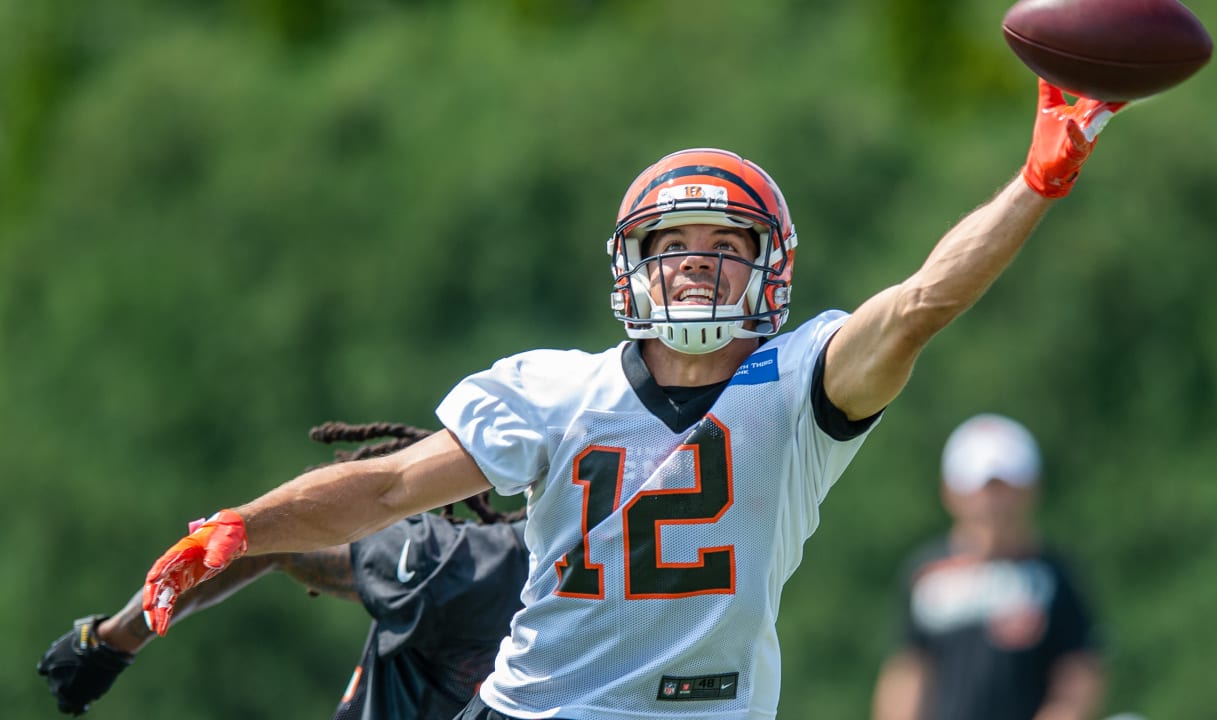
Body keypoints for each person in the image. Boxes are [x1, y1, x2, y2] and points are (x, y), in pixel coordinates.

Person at [137, 80, 1127, 720]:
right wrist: (241, 525)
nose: (696, 263)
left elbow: (919, 303)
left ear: (766, 270)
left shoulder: (795, 386)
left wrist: (1036, 180)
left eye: (724, 245)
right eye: (673, 245)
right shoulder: (555, 391)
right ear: (632, 268)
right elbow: (388, 485)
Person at [37, 422, 529, 720]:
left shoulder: (480, 568)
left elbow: (277, 546)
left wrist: (111, 640)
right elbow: (273, 546)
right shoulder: (486, 574)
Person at [870, 413, 1105, 720]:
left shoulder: (1054, 575)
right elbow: (909, 671)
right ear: (950, 492)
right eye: (980, 487)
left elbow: (1078, 675)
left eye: (1004, 487)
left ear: (1031, 489)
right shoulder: (926, 572)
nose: (991, 501)